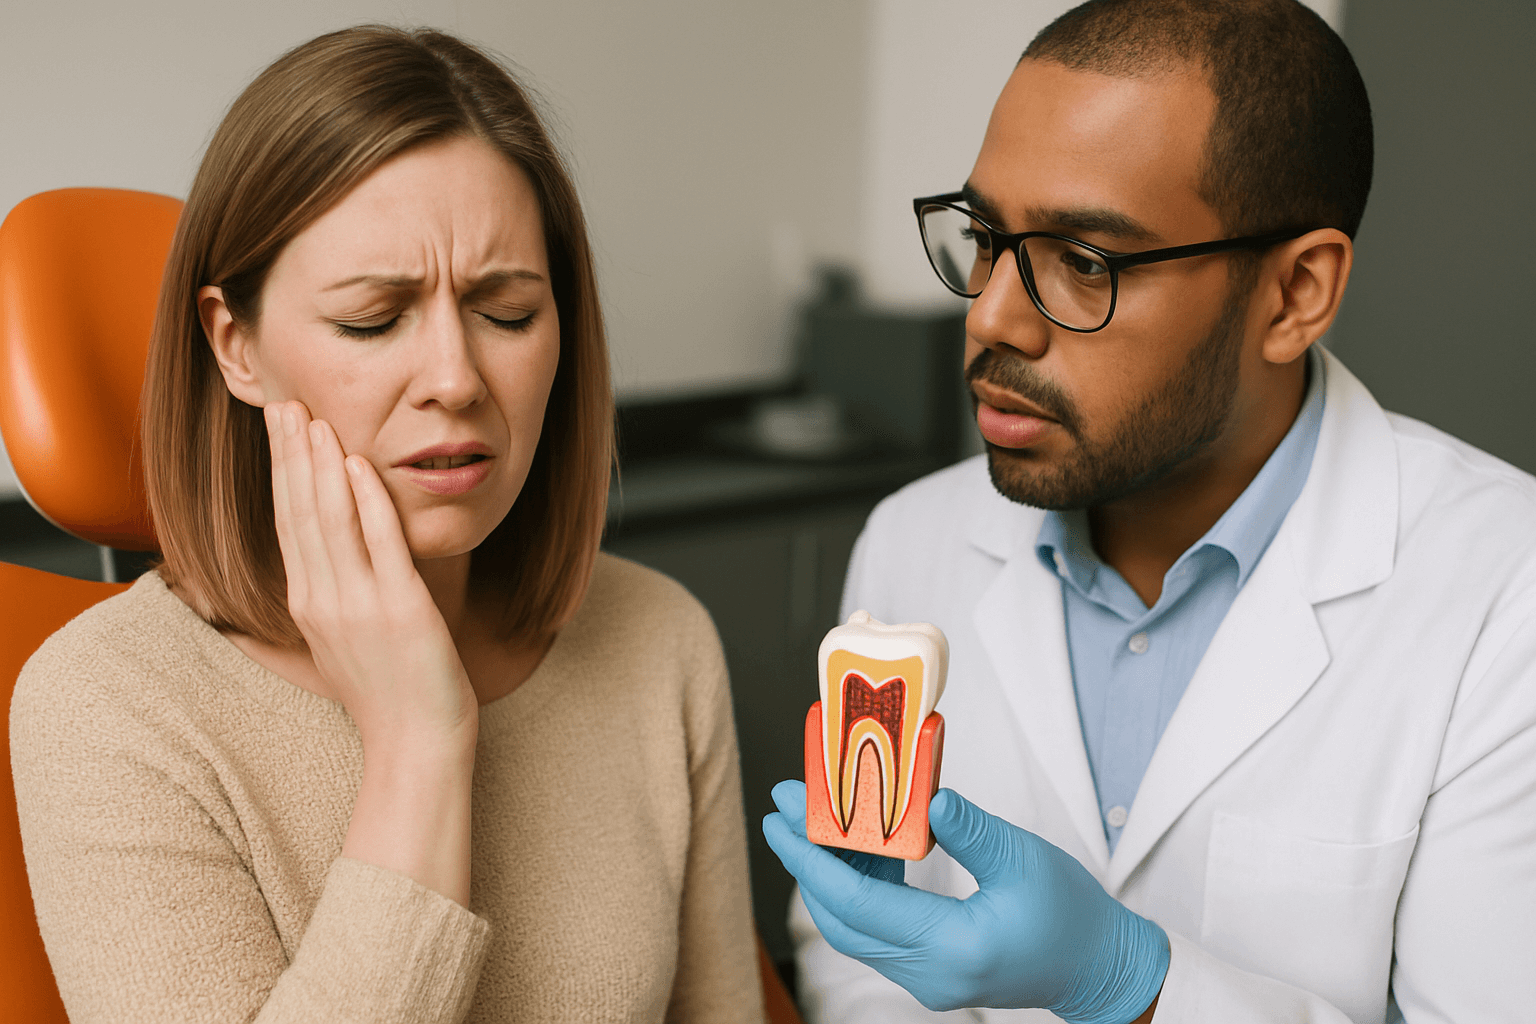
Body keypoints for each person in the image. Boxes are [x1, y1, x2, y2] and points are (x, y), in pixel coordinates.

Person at [762, 0, 1536, 1021]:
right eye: (988, 237)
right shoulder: (914, 538)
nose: (990, 316)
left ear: (1295, 293)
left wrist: (1133, 983)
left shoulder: (1502, 591)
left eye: (1085, 261)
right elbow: (857, 963)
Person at [10, 26, 764, 1024]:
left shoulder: (657, 636)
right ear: (235, 346)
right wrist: (417, 740)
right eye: (374, 319)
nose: (456, 379)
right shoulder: (108, 702)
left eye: (506, 311)